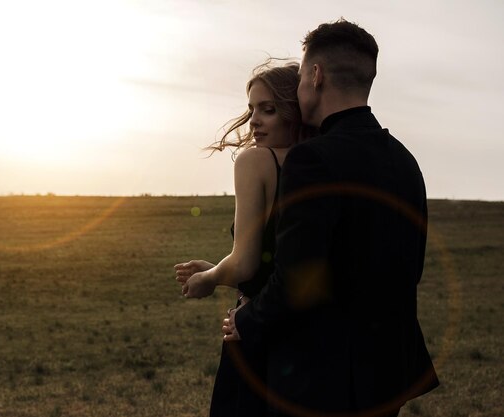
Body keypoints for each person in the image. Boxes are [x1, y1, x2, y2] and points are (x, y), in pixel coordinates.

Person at [223, 19, 439, 417]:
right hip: (388, 375)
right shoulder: (404, 159)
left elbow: (296, 277)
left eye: (303, 74)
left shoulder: (314, 159)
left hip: (325, 378)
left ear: (316, 75)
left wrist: (247, 320)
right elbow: (410, 266)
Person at [174, 61, 308, 416]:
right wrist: (221, 266)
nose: (254, 121)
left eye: (269, 109)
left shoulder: (256, 161)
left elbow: (246, 263)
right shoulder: (321, 161)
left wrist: (209, 278)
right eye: (251, 110)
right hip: (312, 337)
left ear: (294, 110)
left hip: (256, 331)